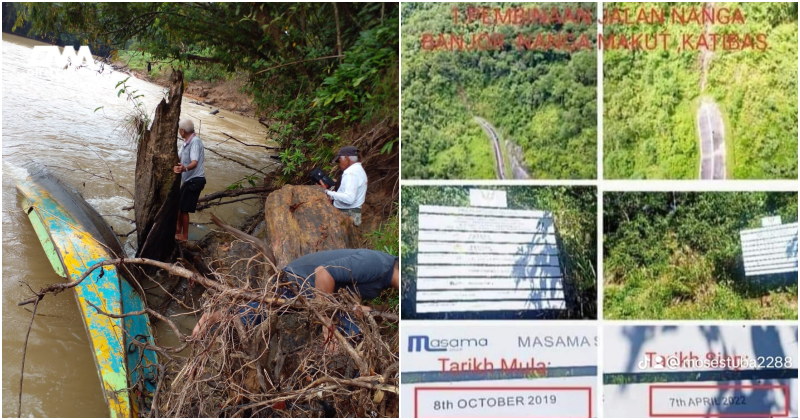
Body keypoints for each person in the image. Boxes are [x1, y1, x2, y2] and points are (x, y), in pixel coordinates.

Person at [192, 249, 399, 351]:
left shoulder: (384, 279)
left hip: (315, 292)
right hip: (296, 282)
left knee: (355, 335)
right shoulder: (377, 264)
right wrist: (328, 328)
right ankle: (212, 318)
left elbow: (348, 293)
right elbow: (323, 273)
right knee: (248, 317)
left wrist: (359, 308)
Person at [173, 118, 206, 241]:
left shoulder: (195, 142)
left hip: (195, 180)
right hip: (189, 181)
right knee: (180, 207)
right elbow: (179, 157)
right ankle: (178, 230)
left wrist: (184, 169)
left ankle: (184, 236)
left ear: (182, 131)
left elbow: (194, 162)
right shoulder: (186, 142)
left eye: (179, 130)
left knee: (184, 209)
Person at [318, 146, 367, 226]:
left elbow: (349, 199)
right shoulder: (359, 170)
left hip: (347, 214)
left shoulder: (351, 173)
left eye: (339, 160)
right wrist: (333, 197)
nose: (339, 164)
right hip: (355, 213)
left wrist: (328, 192)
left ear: (346, 158)